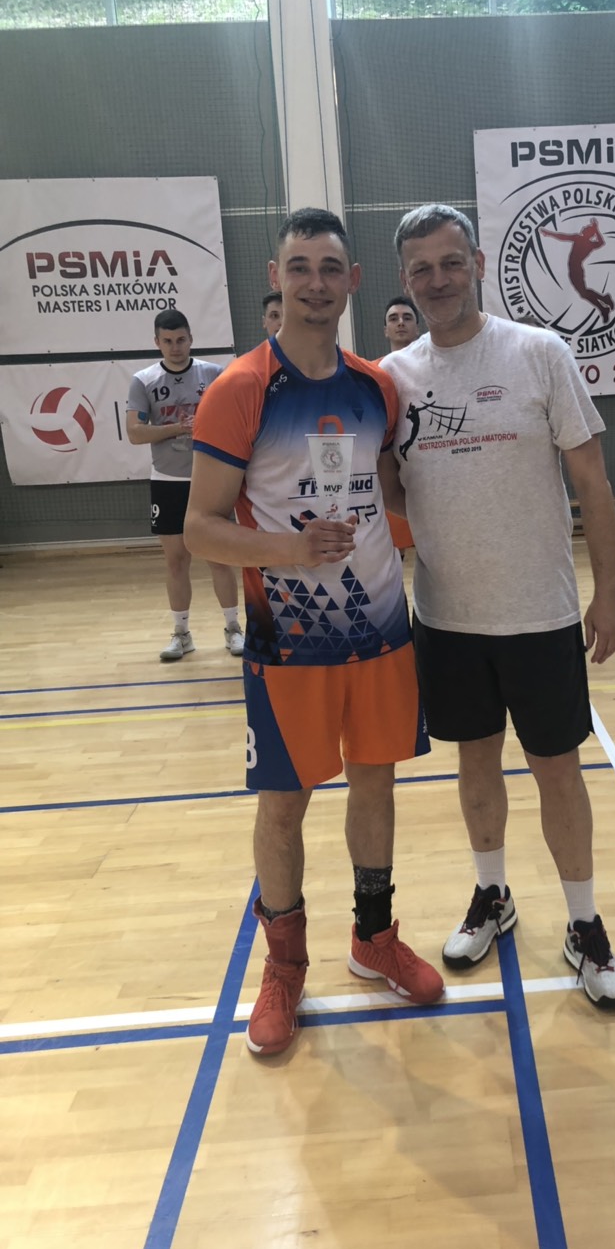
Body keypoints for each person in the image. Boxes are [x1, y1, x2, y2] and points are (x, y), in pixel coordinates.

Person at [184, 207, 443, 1057]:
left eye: (331, 268)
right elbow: (200, 528)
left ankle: (374, 938)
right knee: (284, 806)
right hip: (288, 643)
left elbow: (391, 493)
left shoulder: (377, 388)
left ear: (353, 281)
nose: (316, 283)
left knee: (375, 786)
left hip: (381, 629)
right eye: (300, 267)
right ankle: (285, 966)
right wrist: (290, 550)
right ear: (276, 277)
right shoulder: (241, 390)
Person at [379, 204, 615, 1011]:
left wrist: (608, 593)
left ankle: (584, 925)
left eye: (451, 262)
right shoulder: (393, 377)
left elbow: (592, 481)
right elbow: (390, 490)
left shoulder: (538, 353)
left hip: (541, 615)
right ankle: (493, 895)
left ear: (479, 264)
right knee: (475, 763)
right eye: (422, 268)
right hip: (447, 620)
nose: (438, 280)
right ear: (405, 280)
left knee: (558, 770)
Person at [126, 309, 244, 661]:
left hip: (210, 479)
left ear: (191, 339)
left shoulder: (214, 374)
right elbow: (135, 433)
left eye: (181, 340)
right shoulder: (143, 380)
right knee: (176, 560)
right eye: (167, 341)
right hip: (167, 481)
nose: (175, 347)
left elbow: (235, 421)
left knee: (219, 557)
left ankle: (234, 628)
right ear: (157, 342)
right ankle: (181, 634)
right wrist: (178, 428)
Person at [379, 297, 420, 553]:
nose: (400, 323)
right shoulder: (372, 373)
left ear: (418, 328)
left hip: (424, 467)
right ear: (386, 330)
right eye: (393, 319)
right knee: (395, 549)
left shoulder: (434, 372)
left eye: (407, 318)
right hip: (388, 467)